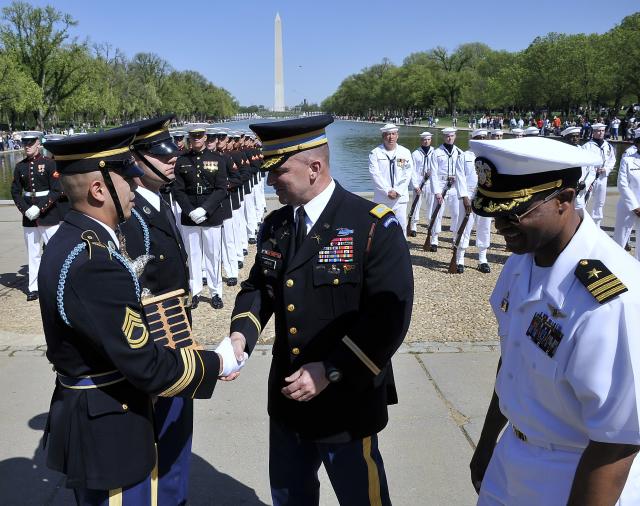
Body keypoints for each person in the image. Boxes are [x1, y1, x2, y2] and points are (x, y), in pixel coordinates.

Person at [40, 127, 244, 505]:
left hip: (99, 413)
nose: (135, 185)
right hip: (111, 427)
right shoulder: (94, 261)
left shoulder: (75, 240)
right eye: (126, 178)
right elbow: (144, 364)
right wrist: (215, 362)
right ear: (99, 190)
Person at [228, 115, 413, 505]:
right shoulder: (276, 224)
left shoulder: (372, 226)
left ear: (315, 168)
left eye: (278, 171)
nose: (269, 181)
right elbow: (259, 287)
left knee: (362, 497)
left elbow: (388, 319)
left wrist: (331, 369)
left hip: (346, 400)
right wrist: (241, 334)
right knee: (290, 496)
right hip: (288, 397)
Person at [468, 137, 640, 505]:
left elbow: (618, 439)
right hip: (511, 455)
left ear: (564, 199)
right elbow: (512, 360)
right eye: (493, 213)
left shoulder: (610, 300)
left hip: (572, 470)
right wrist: (487, 444)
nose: (501, 227)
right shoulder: (522, 260)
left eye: (513, 213)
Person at [116, 116, 199, 505]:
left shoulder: (160, 201)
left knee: (176, 444)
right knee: (158, 446)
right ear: (136, 160)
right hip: (156, 345)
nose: (172, 160)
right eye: (160, 155)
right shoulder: (130, 218)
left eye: (172, 153)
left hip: (177, 337)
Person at [172, 124, 228, 309]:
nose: (196, 138)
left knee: (213, 255)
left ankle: (215, 292)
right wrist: (189, 211)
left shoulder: (217, 159)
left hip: (210, 215)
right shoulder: (181, 161)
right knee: (193, 255)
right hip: (190, 216)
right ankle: (195, 291)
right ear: (190, 138)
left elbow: (221, 189)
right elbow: (178, 190)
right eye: (193, 136)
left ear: (205, 137)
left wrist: (204, 209)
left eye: (199, 135)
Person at [10, 130, 62, 301]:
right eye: (25, 143)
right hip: (29, 217)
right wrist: (25, 210)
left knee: (55, 251)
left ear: (38, 144)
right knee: (33, 254)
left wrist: (40, 208)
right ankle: (33, 287)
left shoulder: (49, 164)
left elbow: (56, 190)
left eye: (31, 143)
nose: (27, 146)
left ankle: (57, 285)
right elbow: (16, 191)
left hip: (48, 215)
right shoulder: (20, 167)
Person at [455, 129, 492, 273]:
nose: (481, 139)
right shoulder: (465, 156)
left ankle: (482, 259)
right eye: (478, 137)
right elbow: (460, 177)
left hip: (485, 197)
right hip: (468, 196)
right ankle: (460, 258)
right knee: (464, 226)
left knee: (484, 227)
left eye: (483, 137)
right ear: (473, 139)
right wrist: (464, 197)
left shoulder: (490, 156)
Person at [368, 123, 414, 237]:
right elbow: (375, 174)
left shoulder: (405, 152)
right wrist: (387, 191)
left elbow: (407, 173)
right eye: (388, 134)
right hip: (382, 197)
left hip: (400, 198)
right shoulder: (375, 153)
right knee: (381, 227)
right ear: (383, 136)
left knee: (402, 225)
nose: (391, 137)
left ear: (397, 136)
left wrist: (397, 191)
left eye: (393, 134)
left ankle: (401, 252)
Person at [427, 127, 465, 251]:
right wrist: (437, 192)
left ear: (455, 137)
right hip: (441, 184)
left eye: (452, 136)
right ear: (444, 137)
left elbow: (463, 172)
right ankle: (434, 239)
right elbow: (433, 173)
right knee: (437, 213)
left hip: (454, 187)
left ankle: (455, 238)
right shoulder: (436, 153)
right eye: (447, 136)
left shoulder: (460, 152)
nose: (449, 138)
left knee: (456, 213)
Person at [581, 123, 616, 228]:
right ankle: (582, 224)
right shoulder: (587, 146)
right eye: (598, 131)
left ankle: (597, 225)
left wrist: (606, 169)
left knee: (600, 202)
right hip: (590, 178)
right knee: (583, 201)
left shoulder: (608, 146)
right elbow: (583, 163)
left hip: (602, 177)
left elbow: (612, 160)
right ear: (594, 132)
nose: (600, 133)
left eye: (602, 131)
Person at [613, 129, 640, 261]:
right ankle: (616, 266)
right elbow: (622, 184)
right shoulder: (627, 160)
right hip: (628, 206)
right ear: (637, 143)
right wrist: (635, 206)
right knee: (620, 238)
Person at [409, 131, 434, 237]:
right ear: (421, 140)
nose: (426, 141)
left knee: (431, 205)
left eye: (428, 139)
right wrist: (415, 185)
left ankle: (430, 224)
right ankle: (414, 226)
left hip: (430, 183)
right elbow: (412, 171)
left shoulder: (435, 152)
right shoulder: (415, 153)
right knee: (416, 205)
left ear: (431, 140)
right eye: (424, 139)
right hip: (419, 183)